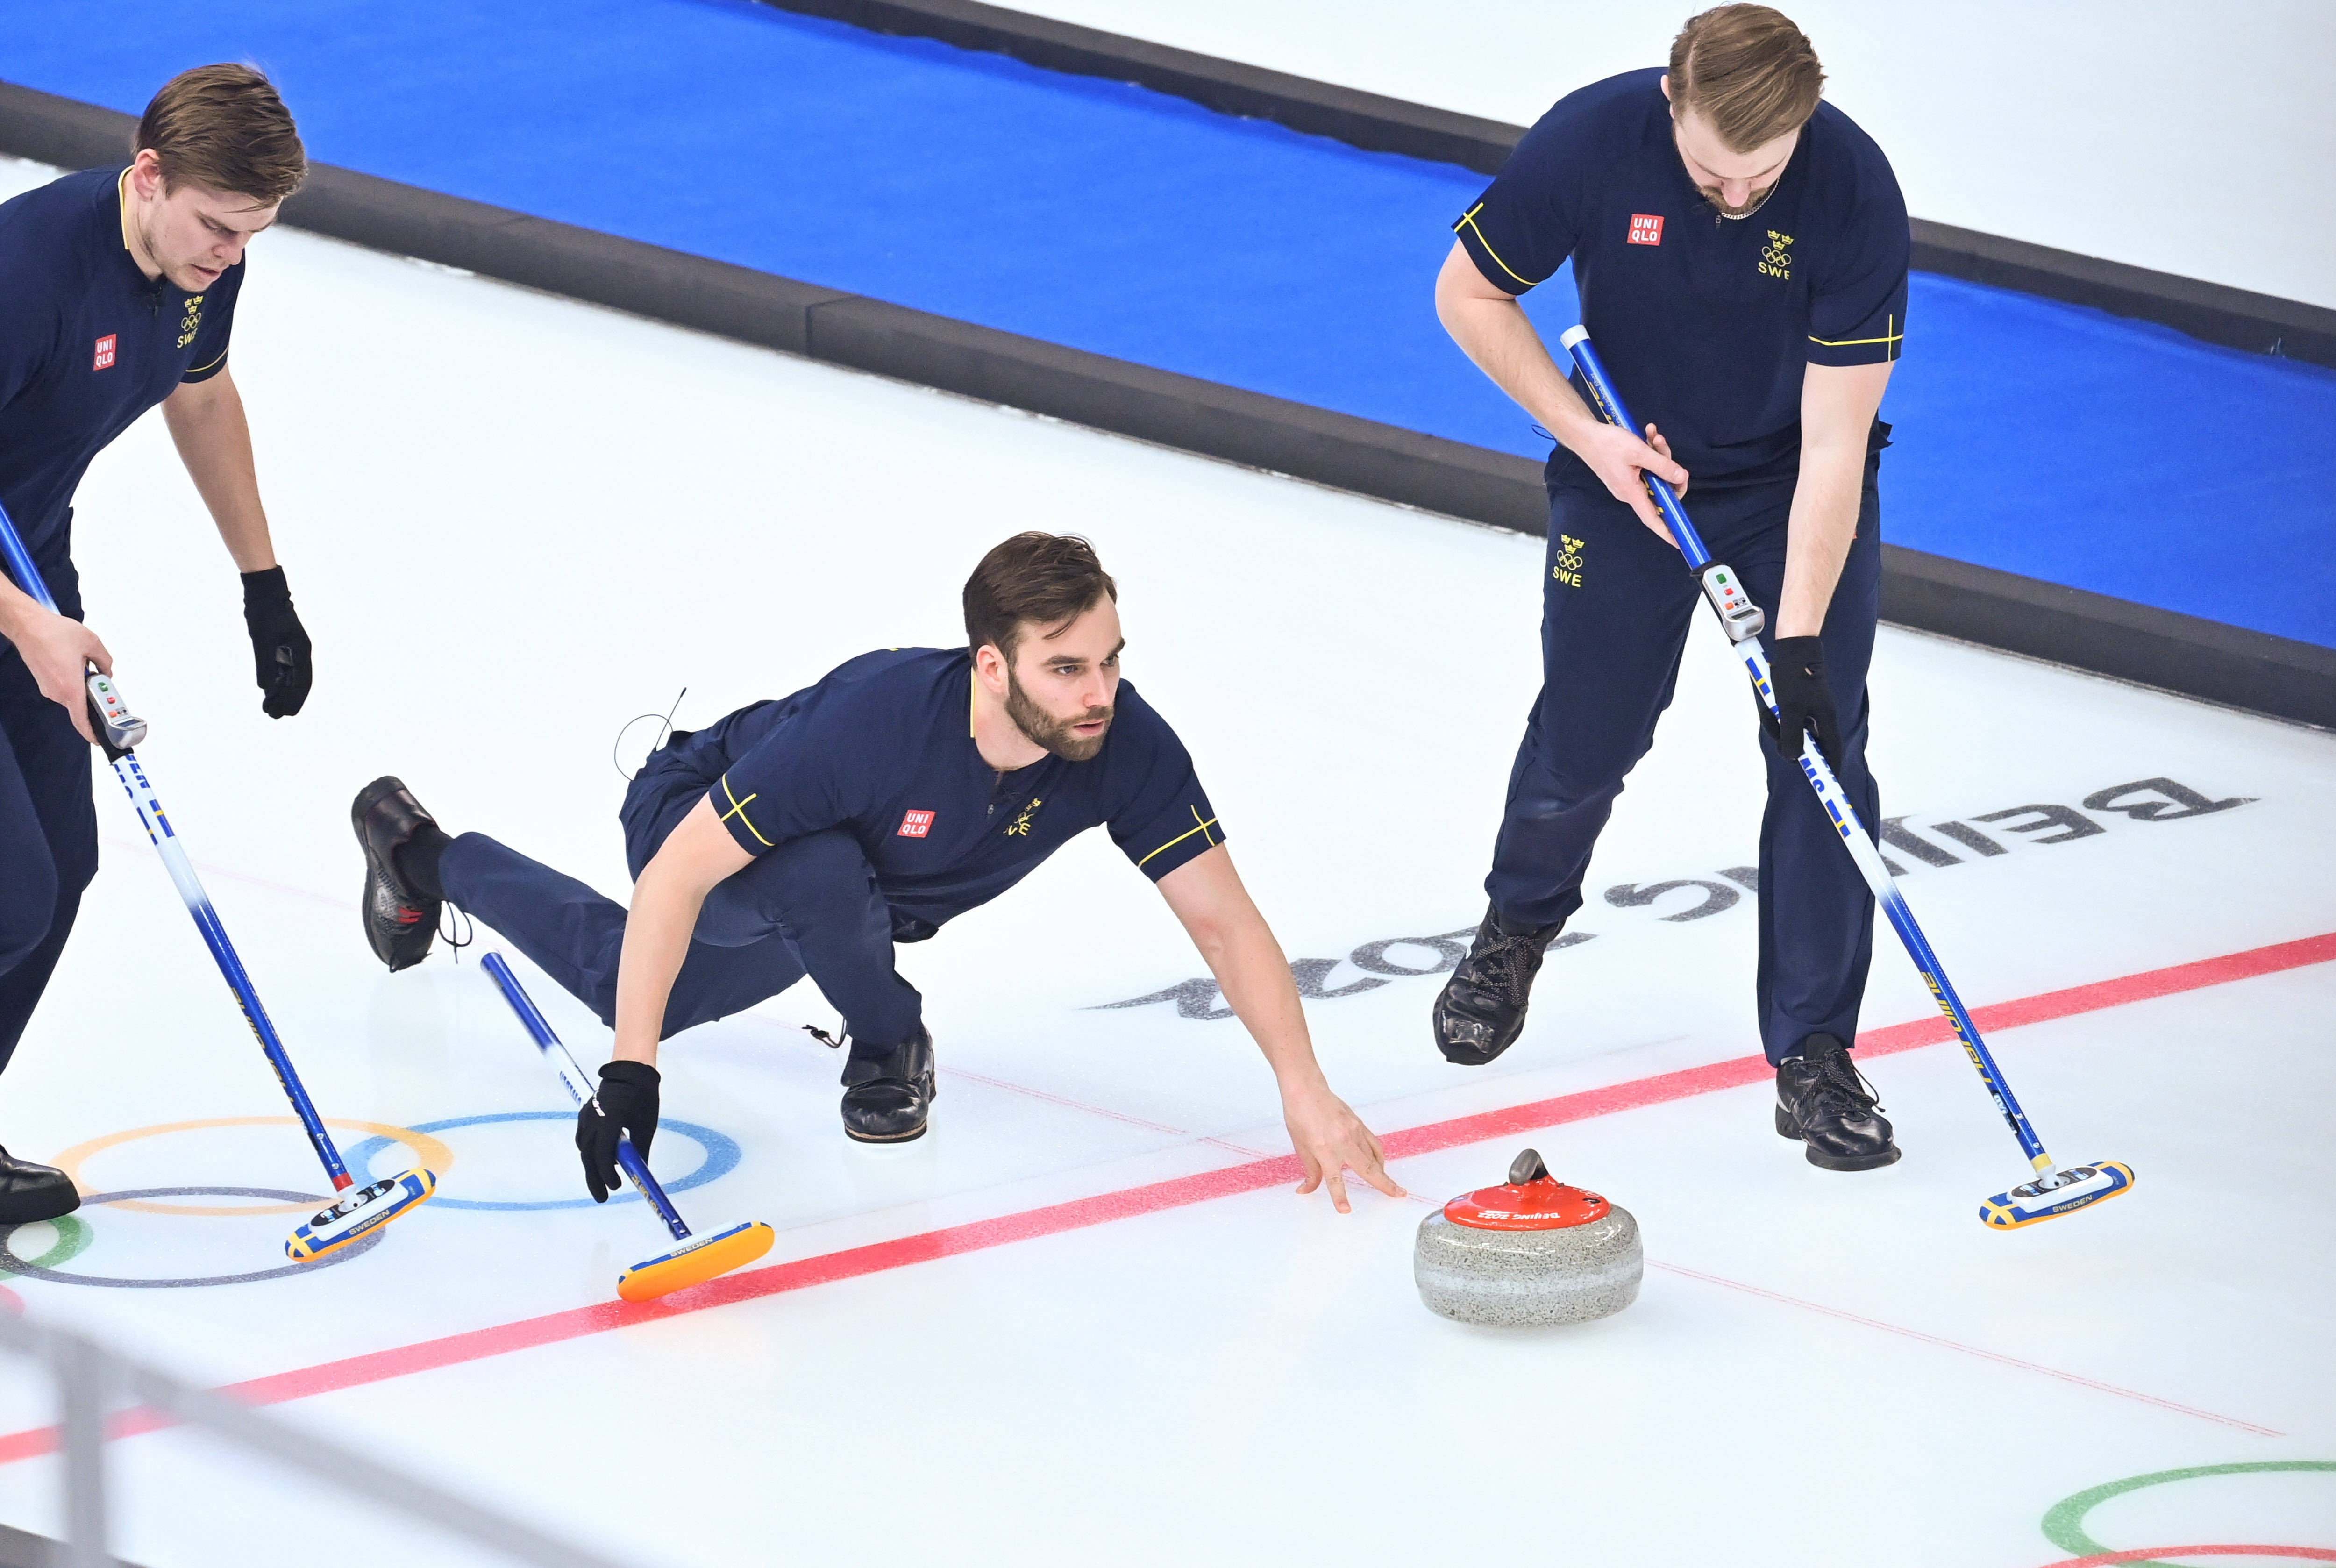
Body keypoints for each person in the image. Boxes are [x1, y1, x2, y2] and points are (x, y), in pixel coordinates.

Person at [353, 533, 1403, 1211]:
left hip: (844, 904)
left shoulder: (1124, 745)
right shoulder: (874, 726)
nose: (1100, 691)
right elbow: (675, 880)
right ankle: (891, 1038)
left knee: (634, 980)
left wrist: (1302, 1090)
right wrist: (632, 1075)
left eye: (1113, 658)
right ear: (991, 664)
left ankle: (421, 852)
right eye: (1068, 667)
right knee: (802, 882)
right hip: (698, 823)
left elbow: (1224, 922)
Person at [1429, 4, 1907, 1170]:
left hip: (1789, 486)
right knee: (1588, 734)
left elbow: (1838, 449)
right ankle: (1519, 925)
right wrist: (1589, 441)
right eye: (1709, 171)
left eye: (1762, 174)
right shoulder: (1591, 139)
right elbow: (1467, 294)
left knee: (1818, 750)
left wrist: (1795, 646)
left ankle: (1813, 1054)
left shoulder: (1851, 188)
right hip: (1625, 474)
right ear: (1670, 109)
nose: (1737, 196)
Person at [0, 65, 313, 1222]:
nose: (230, 255)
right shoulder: (26, 273)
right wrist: (28, 624)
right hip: (16, 601)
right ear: (146, 177)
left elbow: (203, 395)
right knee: (8, 894)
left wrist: (263, 586)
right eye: (218, 226)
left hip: (28, 567)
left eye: (255, 235)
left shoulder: (196, 272)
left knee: (65, 867)